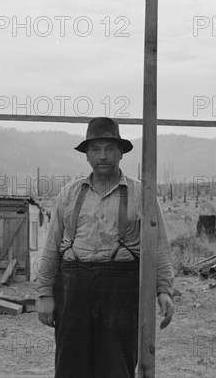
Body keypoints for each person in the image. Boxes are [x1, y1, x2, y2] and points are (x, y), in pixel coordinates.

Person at [37, 117, 174, 378]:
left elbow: (159, 247)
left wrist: (163, 291)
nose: (103, 156)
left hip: (121, 292)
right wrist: (45, 294)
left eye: (110, 149)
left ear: (121, 153)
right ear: (87, 155)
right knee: (70, 365)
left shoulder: (141, 194)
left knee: (117, 366)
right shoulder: (69, 193)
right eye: (96, 149)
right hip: (73, 288)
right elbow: (52, 246)